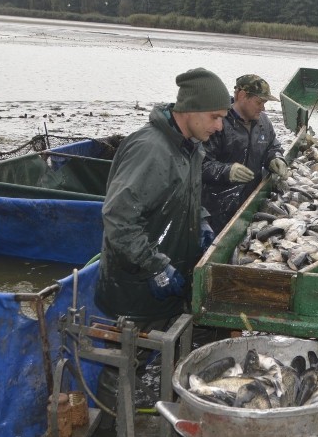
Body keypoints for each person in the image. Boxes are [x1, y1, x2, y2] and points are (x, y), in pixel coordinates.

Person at [94, 67, 231, 330]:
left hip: (167, 284)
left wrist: (200, 220)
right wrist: (155, 267)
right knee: (123, 363)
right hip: (135, 294)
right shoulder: (151, 150)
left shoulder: (190, 146)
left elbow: (183, 195)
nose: (219, 126)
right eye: (215, 117)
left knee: (153, 358)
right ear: (191, 109)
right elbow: (118, 217)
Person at [202, 74, 289, 233]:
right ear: (242, 96)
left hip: (251, 202)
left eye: (265, 103)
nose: (263, 108)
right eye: (259, 102)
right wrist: (228, 171)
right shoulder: (218, 123)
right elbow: (200, 165)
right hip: (217, 207)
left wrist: (275, 157)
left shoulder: (263, 122)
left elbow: (272, 145)